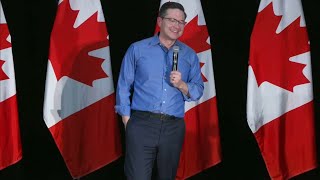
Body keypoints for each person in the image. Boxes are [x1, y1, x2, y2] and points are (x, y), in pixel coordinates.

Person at [115, 2, 204, 180]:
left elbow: (198, 90)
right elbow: (124, 85)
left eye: (181, 22)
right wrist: (127, 121)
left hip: (173, 127)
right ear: (159, 21)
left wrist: (181, 85)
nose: (176, 26)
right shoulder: (138, 49)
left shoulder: (189, 55)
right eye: (172, 20)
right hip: (141, 124)